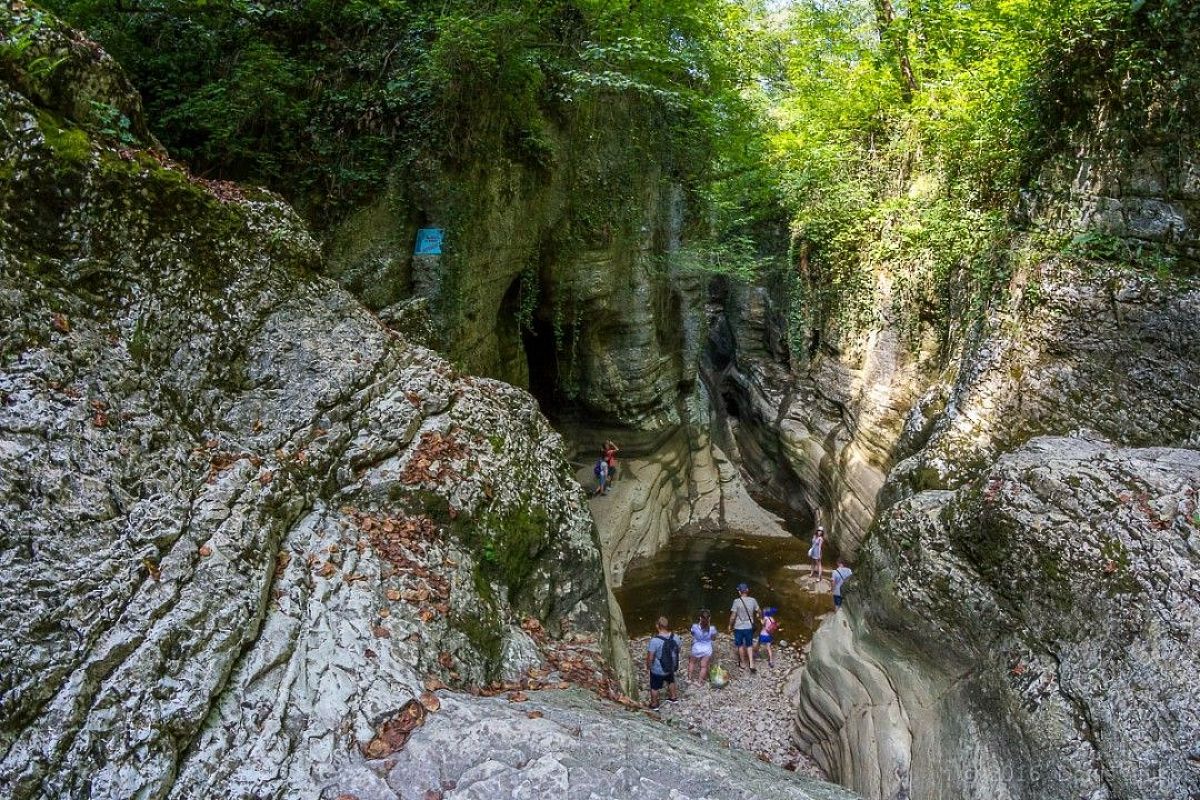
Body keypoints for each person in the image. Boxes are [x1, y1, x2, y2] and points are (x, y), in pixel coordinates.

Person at [645, 616, 681, 708]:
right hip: (671, 666)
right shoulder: (675, 637)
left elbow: (650, 657)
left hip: (658, 670)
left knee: (654, 687)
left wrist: (648, 667)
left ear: (657, 626)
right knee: (671, 680)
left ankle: (654, 704)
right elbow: (678, 650)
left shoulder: (654, 641)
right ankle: (673, 697)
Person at [727, 583, 761, 673]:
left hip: (738, 627)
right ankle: (752, 664)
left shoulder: (736, 601)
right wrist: (759, 617)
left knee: (740, 645)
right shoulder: (753, 600)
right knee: (749, 645)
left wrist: (730, 625)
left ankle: (743, 663)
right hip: (749, 626)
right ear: (747, 590)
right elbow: (759, 611)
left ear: (739, 592)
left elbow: (733, 617)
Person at [688, 609, 716, 684]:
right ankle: (699, 682)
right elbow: (713, 638)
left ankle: (689, 678)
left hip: (696, 648)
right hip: (707, 649)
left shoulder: (694, 626)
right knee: (704, 666)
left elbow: (693, 634)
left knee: (692, 663)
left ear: (700, 618)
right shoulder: (712, 629)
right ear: (709, 618)